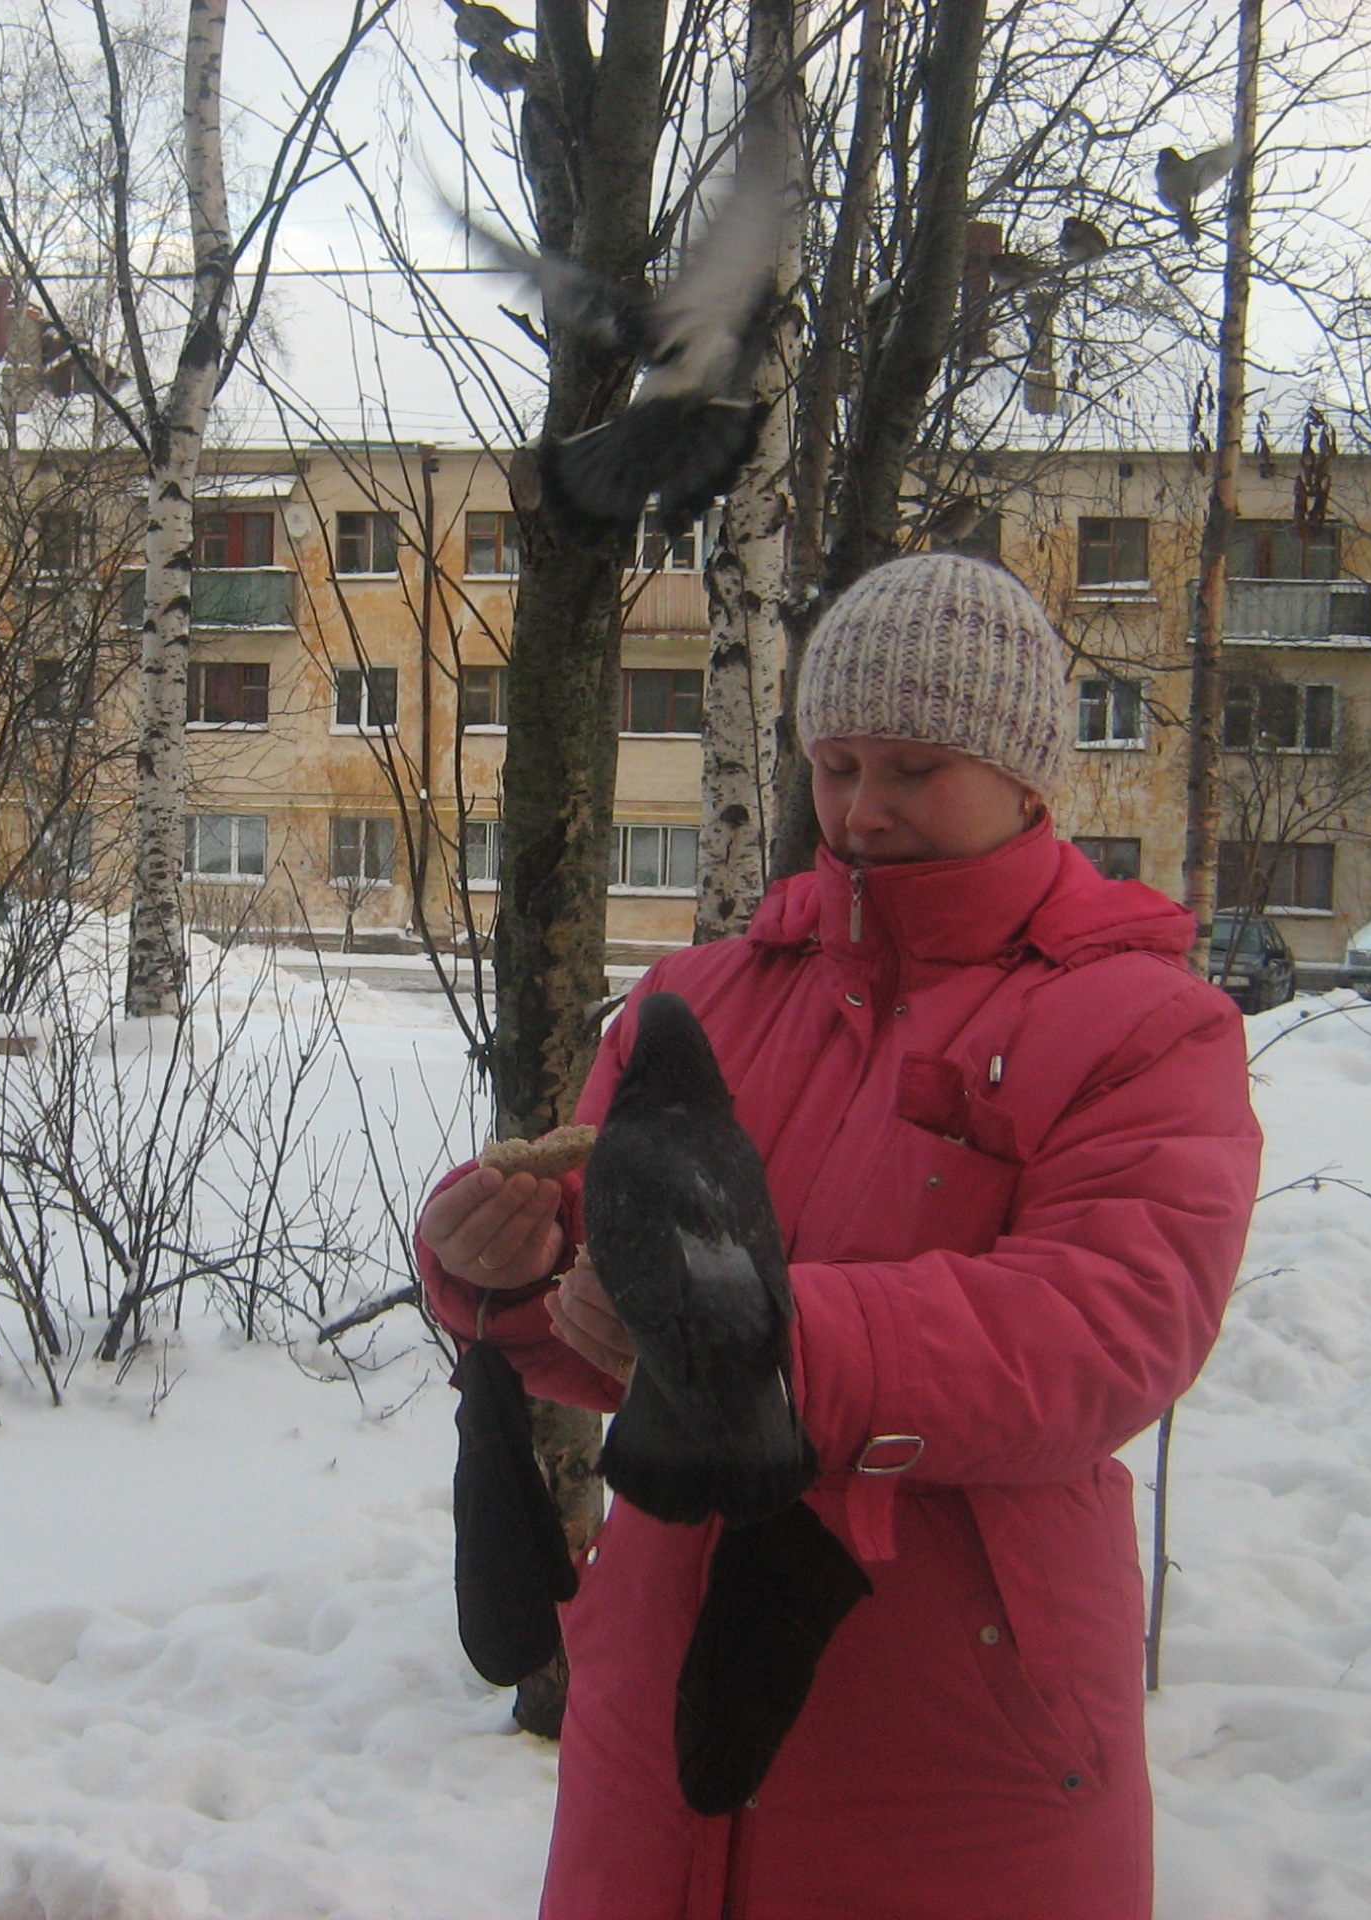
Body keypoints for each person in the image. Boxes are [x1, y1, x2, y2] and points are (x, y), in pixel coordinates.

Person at [416, 553, 1261, 1920]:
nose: (864, 809)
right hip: (657, 1717)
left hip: (949, 1728)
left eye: (916, 769)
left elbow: (1108, 1329)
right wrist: (514, 1276)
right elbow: (608, 1310)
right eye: (836, 765)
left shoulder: (1143, 1025)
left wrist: (762, 1341)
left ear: (1029, 778)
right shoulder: (704, 1001)